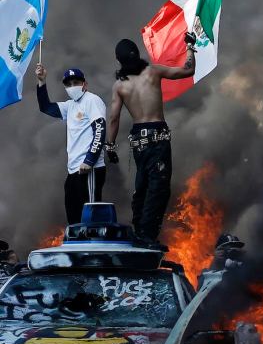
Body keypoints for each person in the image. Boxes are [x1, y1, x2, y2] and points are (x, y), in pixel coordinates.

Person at [105, 35, 196, 250]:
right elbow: (187, 70)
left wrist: (110, 146)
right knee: (158, 187)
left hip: (139, 140)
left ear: (119, 61)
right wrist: (190, 47)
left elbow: (114, 118)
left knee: (142, 185)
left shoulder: (119, 86)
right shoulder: (153, 72)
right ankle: (147, 236)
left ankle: (139, 231)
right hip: (157, 137)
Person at [35, 64, 108, 225]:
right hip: (73, 170)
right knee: (74, 216)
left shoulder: (92, 100)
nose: (72, 86)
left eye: (76, 82)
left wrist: (89, 160)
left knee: (90, 216)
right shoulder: (70, 106)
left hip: (90, 169)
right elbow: (46, 107)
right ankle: (78, 248)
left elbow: (100, 130)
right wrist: (42, 82)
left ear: (85, 84)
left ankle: (93, 248)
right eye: (68, 84)